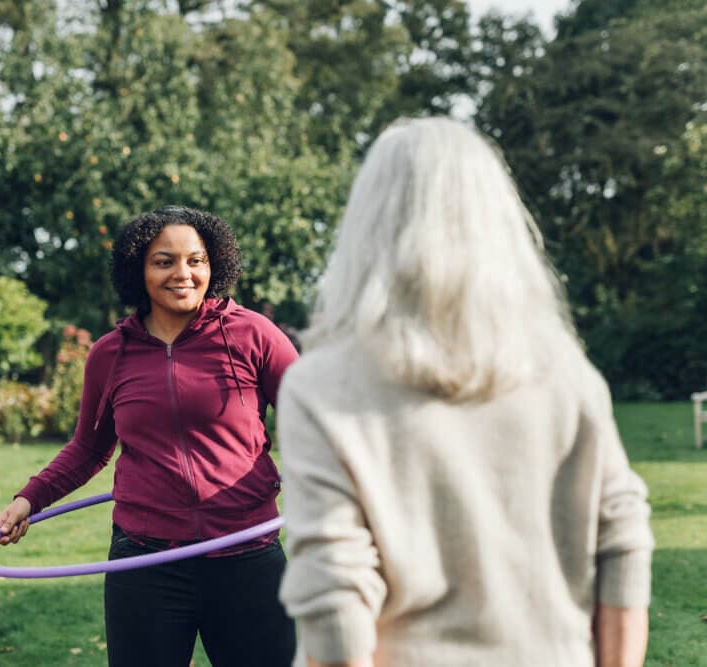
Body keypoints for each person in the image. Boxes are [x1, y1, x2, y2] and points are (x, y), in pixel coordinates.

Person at [276, 117, 654, 667]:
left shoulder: (322, 385)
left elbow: (334, 596)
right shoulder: (566, 373)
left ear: (367, 224)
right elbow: (623, 543)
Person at [0, 205, 298, 667]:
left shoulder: (253, 335)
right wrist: (29, 499)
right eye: (164, 261)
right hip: (146, 561)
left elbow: (313, 422)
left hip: (246, 553)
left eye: (196, 260)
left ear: (214, 265)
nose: (183, 273)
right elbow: (88, 448)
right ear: (139, 269)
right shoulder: (110, 354)